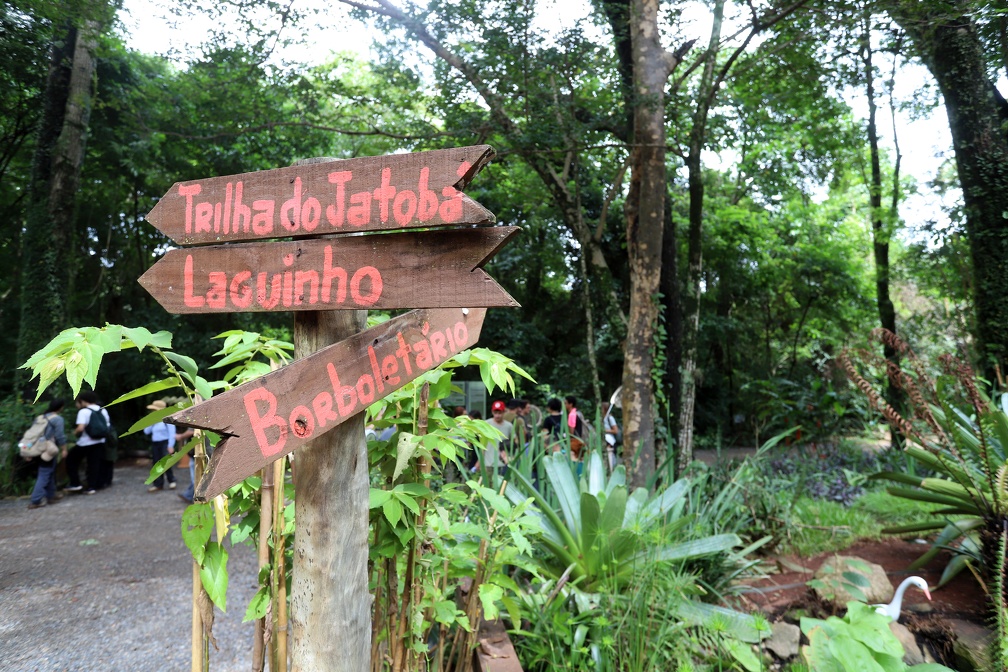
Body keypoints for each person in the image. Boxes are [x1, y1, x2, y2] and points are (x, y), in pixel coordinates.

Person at [27, 398, 68, 509]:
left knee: (49, 471)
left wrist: (28, 451)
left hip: (37, 449)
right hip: (48, 449)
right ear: (60, 407)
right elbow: (60, 436)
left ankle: (51, 495)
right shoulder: (57, 419)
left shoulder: (39, 418)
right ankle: (36, 500)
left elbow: (32, 435)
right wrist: (64, 449)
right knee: (45, 473)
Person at [67, 391, 110, 495]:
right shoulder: (102, 410)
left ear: (82, 401)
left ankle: (75, 483)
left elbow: (81, 428)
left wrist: (73, 433)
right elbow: (107, 425)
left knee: (71, 460)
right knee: (94, 464)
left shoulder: (84, 412)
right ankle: (91, 487)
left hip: (85, 442)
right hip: (100, 440)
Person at [143, 399, 177, 492]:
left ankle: (171, 480)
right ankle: (158, 484)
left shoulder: (167, 419)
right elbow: (146, 431)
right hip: (155, 444)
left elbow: (172, 433)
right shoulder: (154, 420)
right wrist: (151, 421)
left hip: (164, 443)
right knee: (156, 464)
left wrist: (170, 445)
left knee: (166, 462)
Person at [482, 400, 512, 473]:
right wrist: (481, 461)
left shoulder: (509, 426)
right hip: (488, 463)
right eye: (495, 413)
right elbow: (483, 444)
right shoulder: (486, 424)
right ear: (492, 412)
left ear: (504, 412)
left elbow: (514, 442)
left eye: (500, 413)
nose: (497, 415)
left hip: (503, 463)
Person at [601, 401, 621, 470]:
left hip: (611, 441)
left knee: (612, 462)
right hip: (605, 441)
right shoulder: (603, 419)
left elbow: (615, 430)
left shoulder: (610, 418)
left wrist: (605, 431)